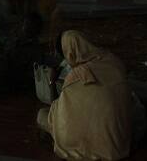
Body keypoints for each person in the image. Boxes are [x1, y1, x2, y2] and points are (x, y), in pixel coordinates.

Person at [37, 31, 133, 161]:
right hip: (118, 144)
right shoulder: (114, 62)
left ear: (69, 53)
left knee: (42, 115)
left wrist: (52, 82)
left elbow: (57, 112)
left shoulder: (75, 77)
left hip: (83, 141)